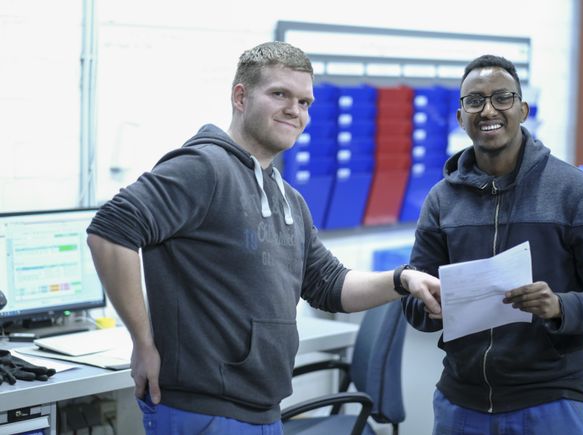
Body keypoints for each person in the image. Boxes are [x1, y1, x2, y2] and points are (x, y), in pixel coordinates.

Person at [86, 41, 441, 435]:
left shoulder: (288, 198)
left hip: (263, 411)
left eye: (304, 102)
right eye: (279, 94)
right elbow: (111, 230)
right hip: (205, 410)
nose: (295, 110)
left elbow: (330, 284)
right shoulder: (204, 168)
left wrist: (403, 279)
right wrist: (143, 342)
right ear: (241, 97)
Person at [402, 54, 583, 435]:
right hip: (461, 403)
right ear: (461, 117)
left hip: (550, 402)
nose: (488, 110)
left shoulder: (573, 191)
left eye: (502, 98)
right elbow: (413, 300)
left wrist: (559, 306)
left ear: (522, 110)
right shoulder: (441, 200)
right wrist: (432, 304)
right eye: (474, 101)